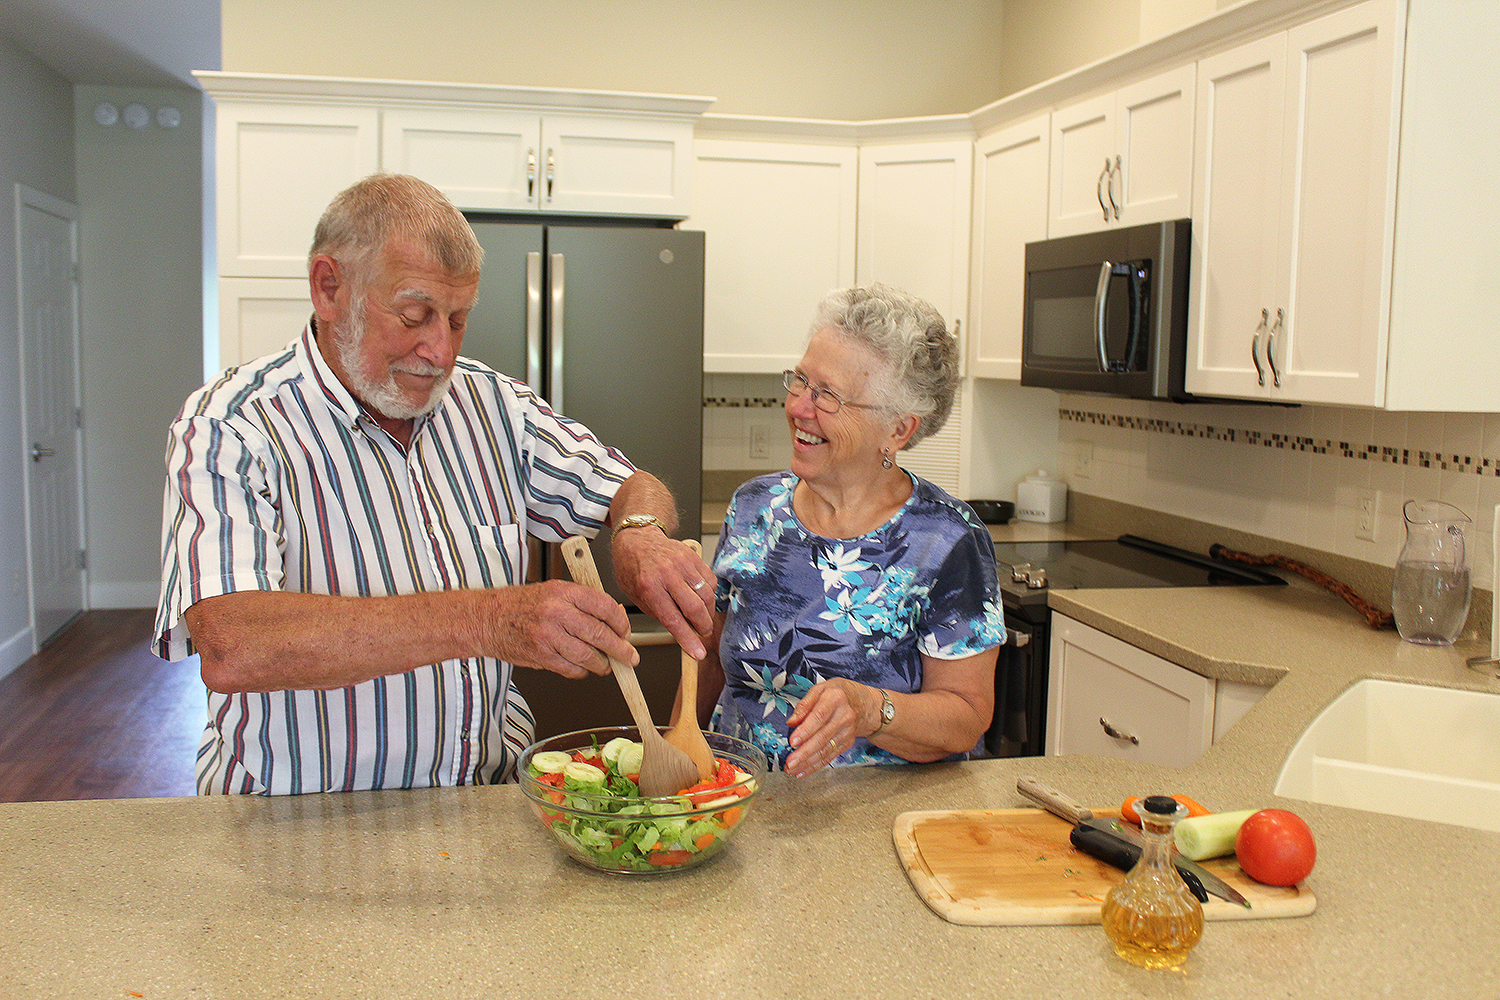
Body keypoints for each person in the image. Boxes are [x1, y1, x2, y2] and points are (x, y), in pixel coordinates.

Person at [154, 173, 714, 795]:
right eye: (415, 315)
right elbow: (233, 644)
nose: (440, 352)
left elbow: (628, 485)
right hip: (298, 820)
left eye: (458, 319)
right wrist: (484, 619)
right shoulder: (232, 424)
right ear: (329, 287)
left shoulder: (493, 404)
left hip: (484, 802)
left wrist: (639, 532)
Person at [691, 283, 1005, 778]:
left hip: (872, 822)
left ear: (899, 429)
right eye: (799, 381)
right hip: (739, 802)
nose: (799, 407)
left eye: (829, 396)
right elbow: (706, 656)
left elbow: (966, 718)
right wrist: (674, 757)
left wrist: (868, 709)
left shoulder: (947, 541)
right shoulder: (754, 506)